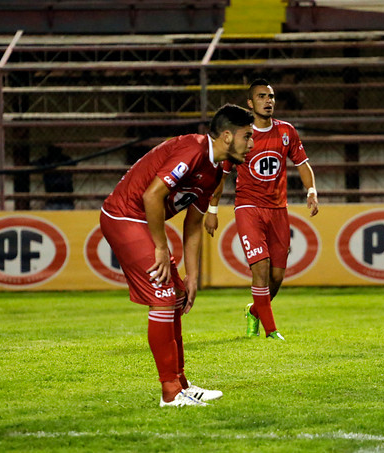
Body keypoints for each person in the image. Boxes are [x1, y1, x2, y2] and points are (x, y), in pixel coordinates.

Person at [100, 104, 254, 407]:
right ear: (226, 136)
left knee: (178, 296)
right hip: (124, 217)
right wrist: (160, 246)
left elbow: (194, 224)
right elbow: (152, 195)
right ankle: (169, 393)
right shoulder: (193, 150)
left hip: (140, 220)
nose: (251, 144)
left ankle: (181, 383)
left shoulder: (215, 170)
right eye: (247, 136)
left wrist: (192, 275)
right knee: (162, 298)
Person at [204, 79, 319, 340]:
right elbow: (221, 176)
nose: (268, 101)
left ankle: (255, 311)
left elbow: (302, 163)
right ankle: (271, 331)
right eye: (262, 97)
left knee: (276, 277)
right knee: (261, 267)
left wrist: (311, 190)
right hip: (248, 207)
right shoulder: (240, 135)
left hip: (278, 209)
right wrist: (212, 210)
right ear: (250, 103)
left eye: (271, 96)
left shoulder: (287, 131)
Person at [32, 145, 76, 210]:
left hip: (65, 198)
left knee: (66, 214)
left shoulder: (65, 159)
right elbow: (33, 164)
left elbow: (73, 164)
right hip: (52, 199)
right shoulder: (46, 160)